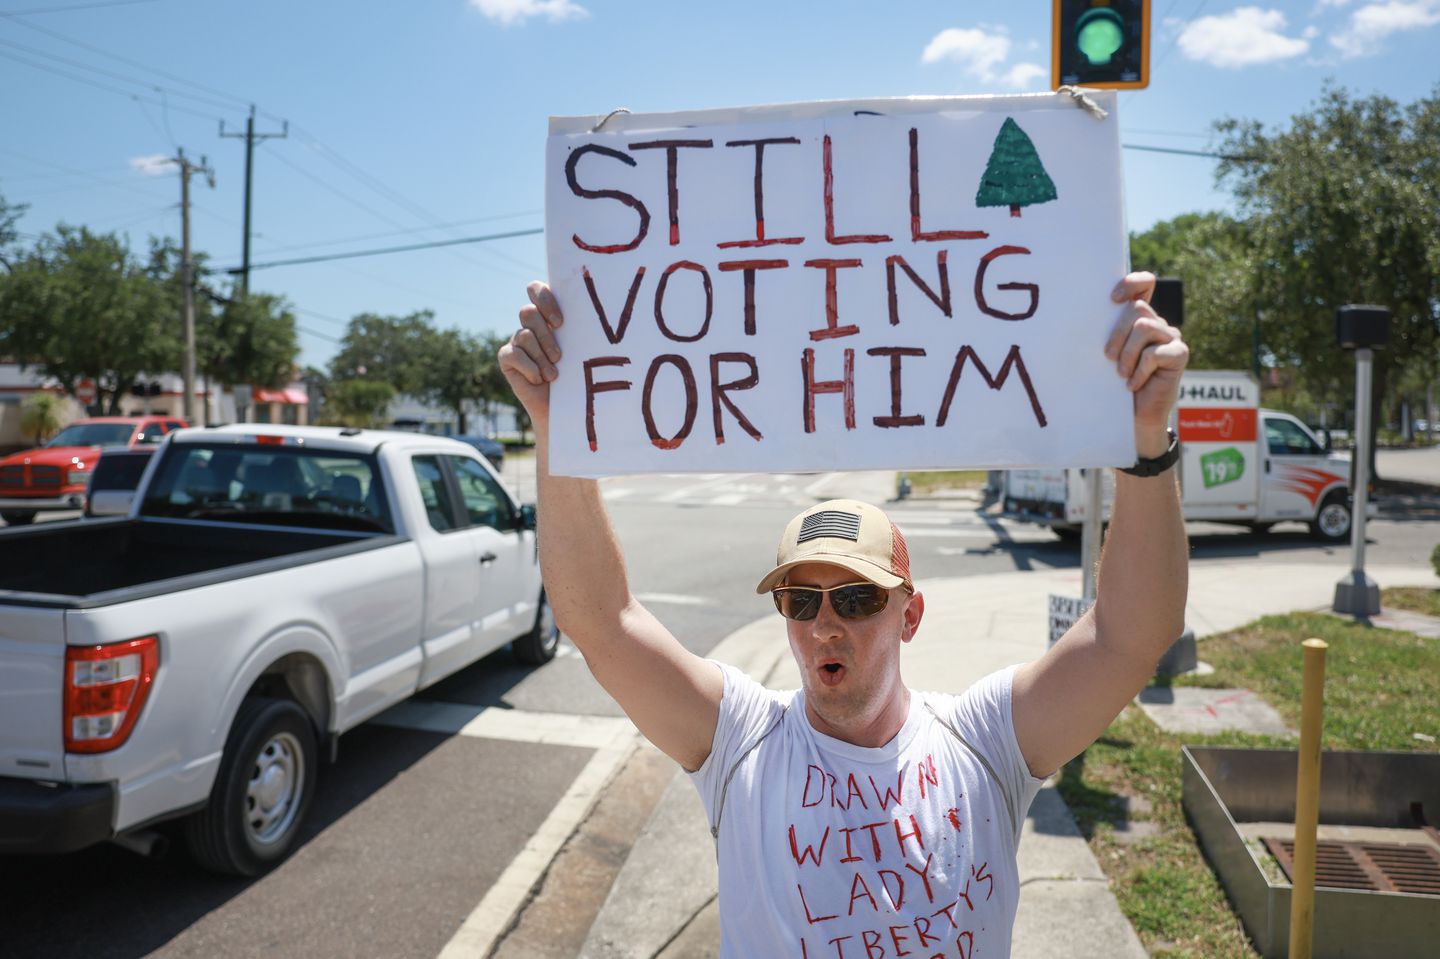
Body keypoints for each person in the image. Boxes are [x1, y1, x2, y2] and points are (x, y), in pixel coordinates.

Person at [498, 272, 1189, 958]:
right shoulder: (740, 742)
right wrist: (557, 428)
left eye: (857, 599)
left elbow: (1129, 637)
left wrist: (1145, 441)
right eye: (801, 602)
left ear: (909, 615)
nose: (824, 624)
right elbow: (603, 622)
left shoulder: (986, 742)